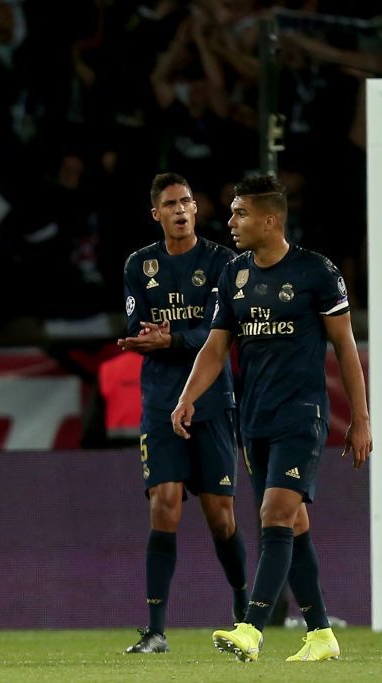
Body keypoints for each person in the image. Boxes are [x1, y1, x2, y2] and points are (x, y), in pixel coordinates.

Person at [171, 174, 372, 662]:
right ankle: (321, 634)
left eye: (240, 213)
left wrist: (361, 419)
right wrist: (187, 397)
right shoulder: (233, 276)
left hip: (301, 416)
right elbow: (215, 347)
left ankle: (251, 628)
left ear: (270, 220)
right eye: (232, 212)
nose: (231, 222)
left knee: (274, 515)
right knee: (293, 524)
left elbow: (345, 346)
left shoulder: (317, 273)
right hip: (253, 420)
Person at [117, 172, 248, 654]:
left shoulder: (222, 262)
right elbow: (137, 325)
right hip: (160, 401)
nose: (179, 210)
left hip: (211, 401)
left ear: (196, 209)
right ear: (157, 214)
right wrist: (151, 337)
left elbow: (220, 334)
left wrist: (170, 338)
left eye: (186, 201)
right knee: (164, 503)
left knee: (220, 516)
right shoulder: (139, 265)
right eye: (170, 203)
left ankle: (245, 614)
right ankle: (155, 630)